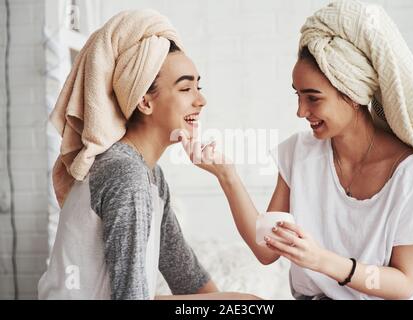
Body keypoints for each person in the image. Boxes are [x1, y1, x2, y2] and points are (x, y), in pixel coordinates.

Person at [183, 0, 413, 300]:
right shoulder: (300, 153)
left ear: (352, 94)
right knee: (238, 303)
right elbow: (266, 251)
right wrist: (226, 175)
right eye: (298, 96)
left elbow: (403, 285)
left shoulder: (412, 174)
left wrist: (322, 261)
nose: (300, 111)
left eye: (313, 98)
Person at [38, 10, 258, 300]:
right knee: (247, 304)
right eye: (186, 88)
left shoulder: (148, 172)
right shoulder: (123, 172)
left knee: (243, 304)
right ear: (145, 101)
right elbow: (129, 294)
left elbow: (184, 273)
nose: (200, 100)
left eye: (198, 86)